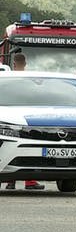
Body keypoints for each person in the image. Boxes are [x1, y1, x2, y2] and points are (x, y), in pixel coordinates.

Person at [5, 53, 45, 190]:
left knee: (13, 147)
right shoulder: (29, 79)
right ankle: (30, 182)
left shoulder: (7, 78)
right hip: (28, 117)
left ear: (14, 64)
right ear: (25, 64)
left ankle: (11, 181)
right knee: (29, 147)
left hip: (9, 117)